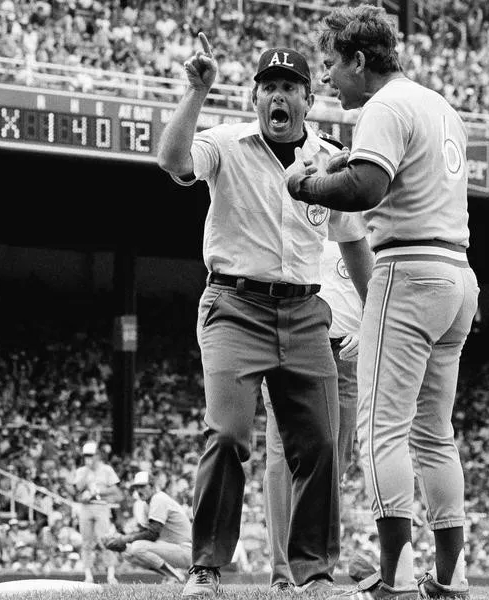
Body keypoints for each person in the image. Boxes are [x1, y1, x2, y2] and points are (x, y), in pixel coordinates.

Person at [157, 32, 374, 599]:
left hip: (305, 312)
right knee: (228, 434)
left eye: (290, 88)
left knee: (322, 445)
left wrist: (374, 311)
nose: (279, 97)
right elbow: (173, 160)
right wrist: (196, 92)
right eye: (269, 87)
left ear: (307, 100)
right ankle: (205, 568)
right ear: (255, 98)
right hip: (234, 305)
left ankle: (314, 574)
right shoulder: (226, 142)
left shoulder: (328, 160)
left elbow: (352, 243)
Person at [285, 5, 480, 599]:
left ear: (360, 60)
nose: (325, 81)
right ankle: (450, 575)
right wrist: (345, 160)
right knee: (434, 433)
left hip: (408, 266)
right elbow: (395, 174)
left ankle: (394, 573)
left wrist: (305, 184)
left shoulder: (383, 106)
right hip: (456, 274)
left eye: (330, 67)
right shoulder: (437, 104)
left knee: (379, 430)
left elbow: (367, 188)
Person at [262, 237, 363, 592]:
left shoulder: (366, 215)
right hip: (294, 344)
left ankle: (315, 566)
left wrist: (368, 329)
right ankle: (283, 573)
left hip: (348, 354)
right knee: (281, 458)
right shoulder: (295, 208)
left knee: (336, 459)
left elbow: (381, 288)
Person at [102, 471, 191, 583]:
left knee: (137, 547)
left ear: (153, 486)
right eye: (137, 487)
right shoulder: (146, 504)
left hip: (186, 550)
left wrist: (123, 539)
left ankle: (177, 577)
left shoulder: (159, 498)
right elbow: (143, 532)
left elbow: (152, 534)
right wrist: (119, 538)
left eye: (142, 486)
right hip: (170, 548)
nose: (139, 490)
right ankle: (171, 576)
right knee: (127, 552)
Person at [72, 441, 123, 584]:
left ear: (97, 455)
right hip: (86, 507)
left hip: (101, 506)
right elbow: (77, 489)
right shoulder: (81, 471)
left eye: (91, 455)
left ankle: (111, 576)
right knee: (86, 543)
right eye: (86, 455)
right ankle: (88, 576)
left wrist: (97, 492)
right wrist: (87, 472)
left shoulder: (106, 469)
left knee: (104, 540)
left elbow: (115, 490)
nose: (88, 458)